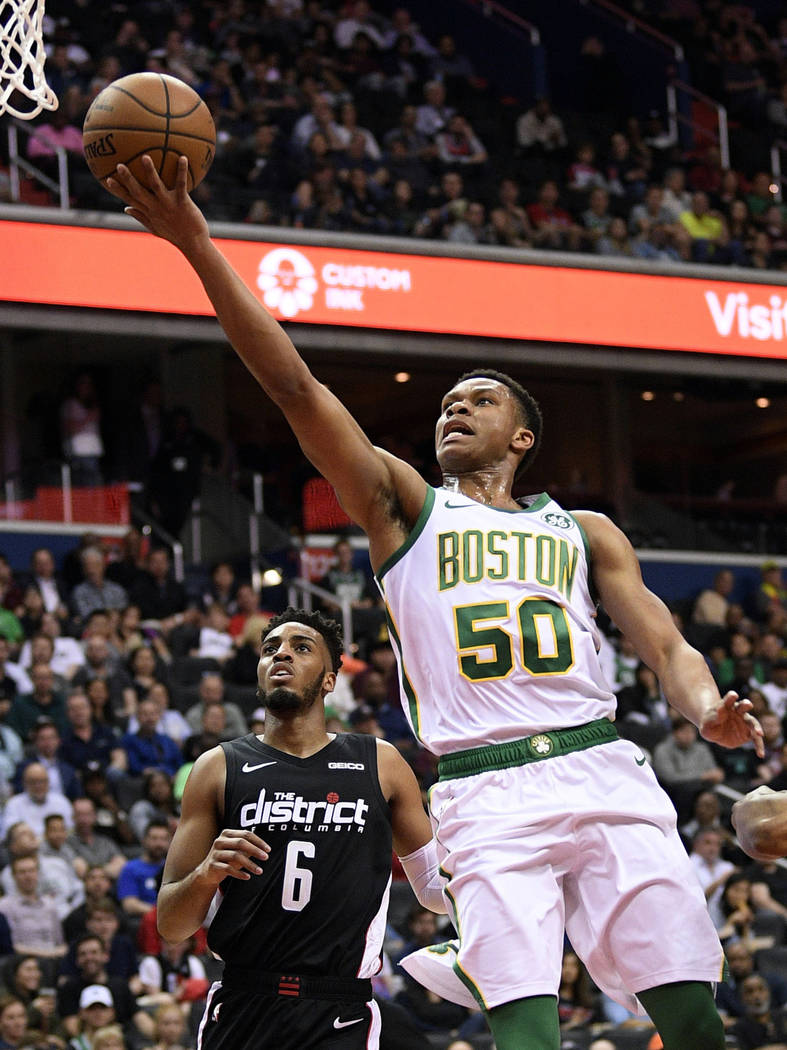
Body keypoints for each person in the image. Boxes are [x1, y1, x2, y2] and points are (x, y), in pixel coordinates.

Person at [109, 155, 764, 1050]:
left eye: (479, 400)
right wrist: (196, 243)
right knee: (524, 1029)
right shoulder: (404, 508)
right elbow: (297, 389)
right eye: (446, 402)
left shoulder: (585, 530)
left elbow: (666, 645)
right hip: (482, 785)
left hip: (601, 761)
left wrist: (702, 708)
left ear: (521, 435)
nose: (454, 409)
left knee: (692, 1015)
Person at [156, 607, 445, 1050]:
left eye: (301, 647)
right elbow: (171, 924)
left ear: (330, 680)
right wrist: (206, 874)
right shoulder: (217, 768)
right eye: (270, 649)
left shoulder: (380, 762)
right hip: (242, 1003)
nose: (282, 656)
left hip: (341, 1010)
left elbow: (433, 890)